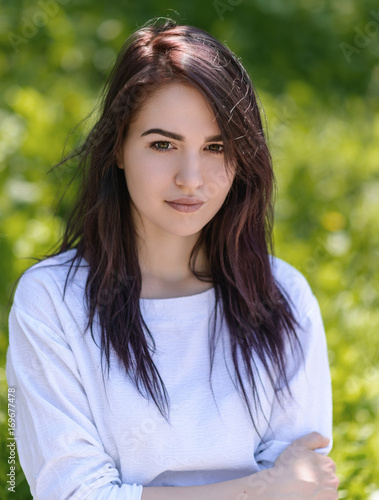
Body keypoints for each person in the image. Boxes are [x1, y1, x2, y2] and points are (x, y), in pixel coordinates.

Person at [6, 18, 339, 500]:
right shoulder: (52, 301)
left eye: (216, 147)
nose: (191, 177)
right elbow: (75, 494)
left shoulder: (282, 295)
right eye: (162, 144)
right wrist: (262, 487)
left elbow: (303, 488)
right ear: (118, 147)